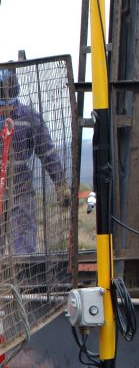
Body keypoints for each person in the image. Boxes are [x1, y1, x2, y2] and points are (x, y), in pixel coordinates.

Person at [0, 67, 72, 255]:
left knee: (23, 248)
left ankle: (23, 282)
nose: (5, 110)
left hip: (20, 191)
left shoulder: (28, 117)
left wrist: (60, 183)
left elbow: (47, 152)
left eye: (8, 106)